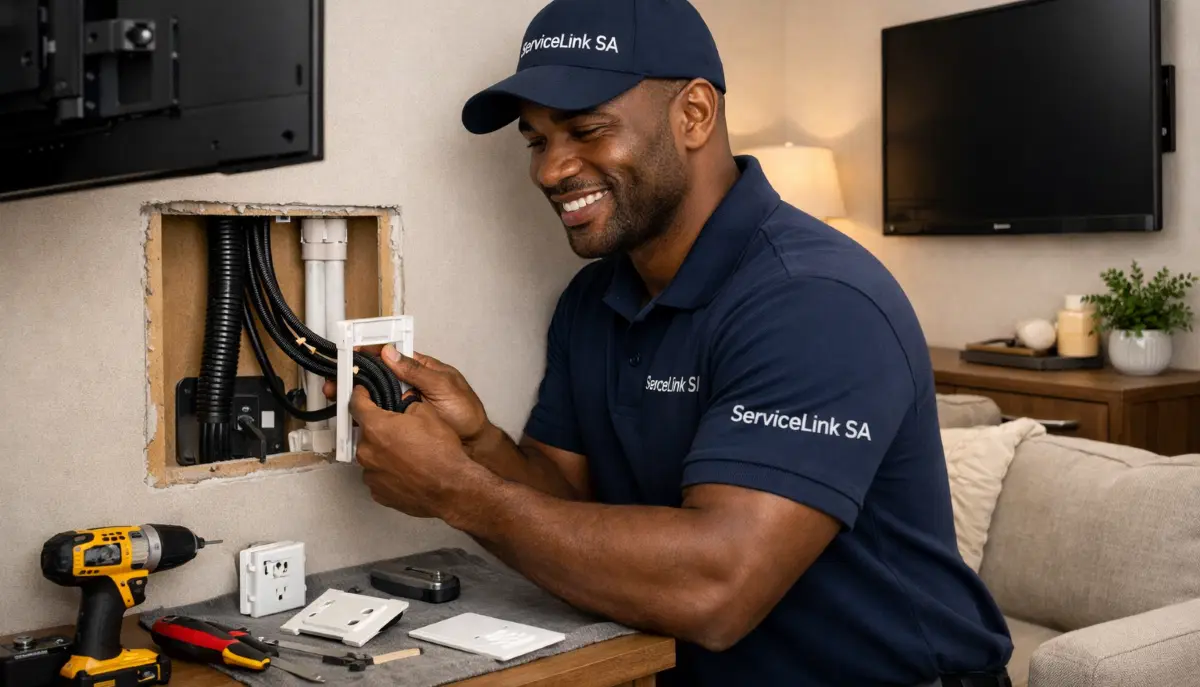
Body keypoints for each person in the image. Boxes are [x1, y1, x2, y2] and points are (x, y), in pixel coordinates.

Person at [334, 0, 1015, 684]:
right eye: (537, 141)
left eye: (586, 130)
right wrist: (476, 443)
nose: (550, 170)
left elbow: (716, 588)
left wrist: (455, 491)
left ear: (694, 114)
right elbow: (566, 501)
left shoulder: (817, 300)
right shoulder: (593, 298)